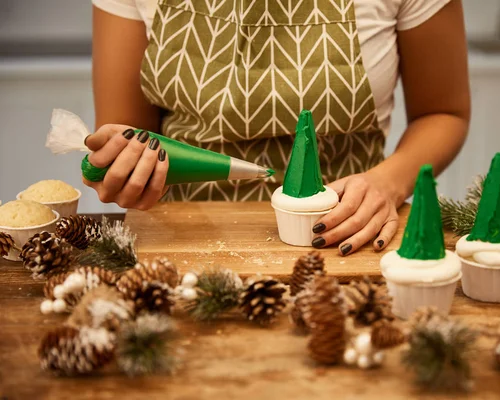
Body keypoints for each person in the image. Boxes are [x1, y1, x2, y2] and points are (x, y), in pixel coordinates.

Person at [86, 0, 471, 256]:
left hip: (349, 237)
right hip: (183, 243)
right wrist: (127, 170)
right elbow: (129, 135)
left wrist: (388, 182)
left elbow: (443, 112)